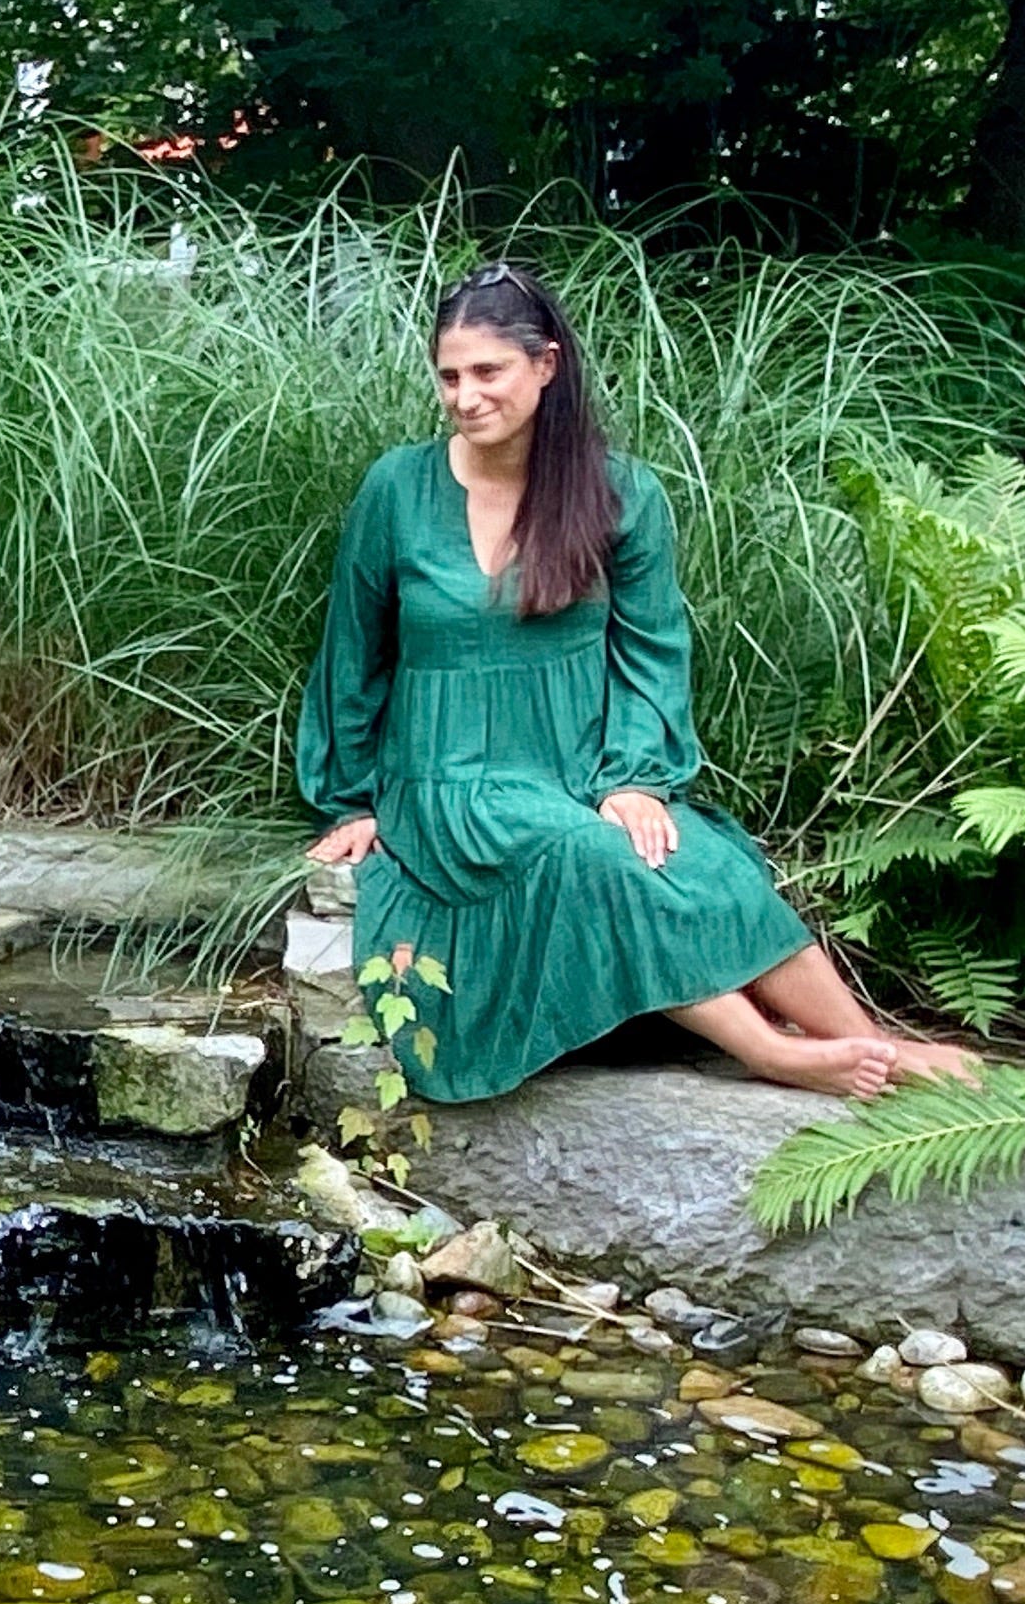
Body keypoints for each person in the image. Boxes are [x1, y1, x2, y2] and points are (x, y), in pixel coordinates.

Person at [299, 258, 973, 1103]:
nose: (465, 396)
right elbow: (351, 656)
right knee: (593, 857)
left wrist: (634, 778)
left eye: (487, 371)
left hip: (575, 765)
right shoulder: (396, 487)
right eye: (449, 376)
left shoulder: (621, 494)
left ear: (545, 365)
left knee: (709, 862)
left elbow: (653, 651)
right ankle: (774, 1054)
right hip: (450, 781)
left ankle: (869, 1044)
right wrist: (351, 800)